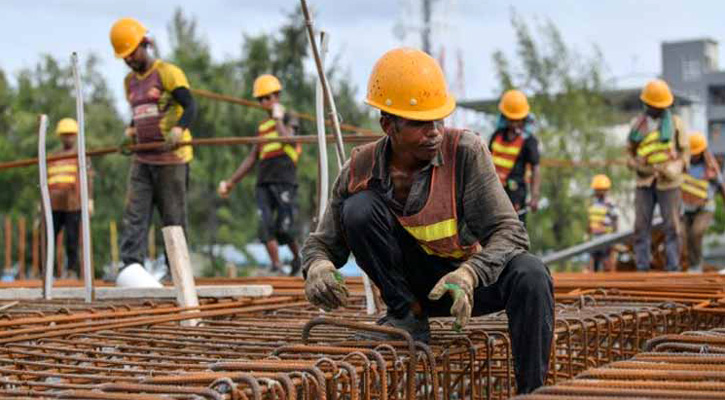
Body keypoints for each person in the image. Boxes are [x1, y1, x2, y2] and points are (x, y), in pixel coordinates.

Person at [301, 48, 554, 394]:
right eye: (420, 124)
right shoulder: (360, 168)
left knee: (532, 274)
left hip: (459, 288)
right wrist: (317, 267)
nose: (434, 132)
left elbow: (510, 233)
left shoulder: (465, 152)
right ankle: (408, 317)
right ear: (388, 125)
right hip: (410, 290)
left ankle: (532, 391)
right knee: (358, 208)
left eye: (438, 120)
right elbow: (322, 243)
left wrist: (470, 273)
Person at [110, 18, 197, 287]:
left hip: (172, 159)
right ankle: (130, 266)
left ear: (144, 45)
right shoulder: (129, 83)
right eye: (124, 57)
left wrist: (179, 130)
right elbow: (139, 114)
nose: (129, 60)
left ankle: (177, 271)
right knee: (135, 213)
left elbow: (190, 105)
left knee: (172, 217)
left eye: (131, 53)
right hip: (143, 159)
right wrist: (130, 131)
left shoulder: (168, 73)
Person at [218, 74, 303, 276]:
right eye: (261, 98)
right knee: (264, 226)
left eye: (268, 97)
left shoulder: (289, 117)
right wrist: (231, 182)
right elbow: (252, 157)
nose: (264, 102)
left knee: (284, 227)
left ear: (277, 96)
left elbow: (288, 141)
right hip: (264, 181)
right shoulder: (262, 127)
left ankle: (299, 259)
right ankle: (276, 267)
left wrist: (278, 119)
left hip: (285, 180)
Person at [627, 79, 689, 272]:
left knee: (672, 226)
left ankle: (673, 267)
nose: (658, 110)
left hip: (669, 182)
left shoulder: (676, 124)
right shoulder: (638, 125)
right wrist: (634, 163)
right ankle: (642, 266)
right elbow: (630, 151)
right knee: (640, 226)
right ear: (648, 105)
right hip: (645, 180)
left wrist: (677, 166)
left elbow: (685, 151)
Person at [48, 118, 94, 278]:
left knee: (72, 239)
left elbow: (88, 178)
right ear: (60, 136)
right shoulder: (53, 157)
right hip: (53, 205)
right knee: (48, 238)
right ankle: (48, 272)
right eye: (65, 135)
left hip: (73, 205)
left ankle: (72, 270)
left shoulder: (81, 155)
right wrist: (41, 204)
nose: (68, 138)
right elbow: (46, 181)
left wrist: (89, 200)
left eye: (71, 135)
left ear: (75, 136)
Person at [488, 90, 541, 224]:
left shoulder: (529, 141)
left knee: (515, 230)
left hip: (515, 195)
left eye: (518, 120)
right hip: (493, 193)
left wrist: (534, 197)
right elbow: (486, 161)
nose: (514, 124)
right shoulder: (497, 135)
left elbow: (536, 168)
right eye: (511, 120)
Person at [680, 132, 725, 272]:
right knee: (684, 237)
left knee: (696, 232)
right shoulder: (683, 165)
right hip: (686, 208)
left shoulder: (711, 167)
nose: (694, 156)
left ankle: (696, 265)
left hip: (705, 208)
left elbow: (721, 186)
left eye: (697, 153)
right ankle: (690, 264)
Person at [587, 174, 618, 272]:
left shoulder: (610, 204)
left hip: (606, 239)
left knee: (607, 265)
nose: (596, 192)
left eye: (599, 190)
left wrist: (613, 238)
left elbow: (615, 222)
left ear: (605, 190)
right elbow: (590, 221)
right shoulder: (593, 203)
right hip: (594, 238)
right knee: (593, 266)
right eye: (596, 190)